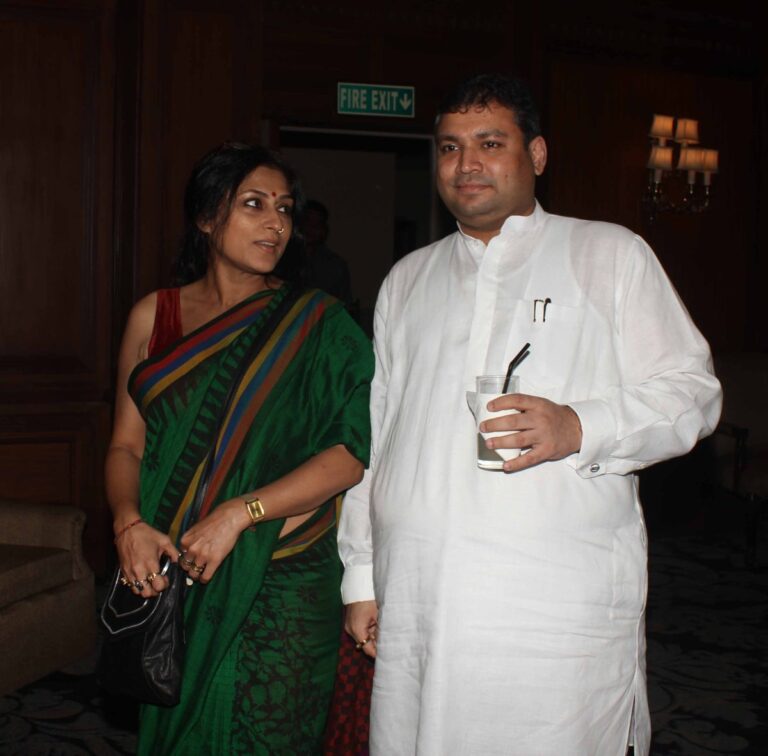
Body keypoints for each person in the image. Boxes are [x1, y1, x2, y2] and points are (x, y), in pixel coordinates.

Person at [338, 73, 722, 755]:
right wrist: (363, 577)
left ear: (537, 155)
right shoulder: (408, 279)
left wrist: (581, 424)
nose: (467, 164)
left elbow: (693, 391)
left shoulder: (608, 253)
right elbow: (379, 436)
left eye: (490, 143)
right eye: (450, 147)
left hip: (549, 610)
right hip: (418, 596)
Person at [105, 142, 373, 754]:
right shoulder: (155, 317)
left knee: (269, 734)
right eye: (254, 204)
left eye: (284, 208)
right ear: (206, 217)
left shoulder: (320, 325)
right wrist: (128, 523)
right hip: (174, 567)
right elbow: (125, 445)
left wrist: (240, 512)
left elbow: (350, 455)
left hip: (281, 577)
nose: (276, 222)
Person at [300, 199, 353, 304]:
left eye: (317, 224)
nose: (311, 228)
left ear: (324, 230)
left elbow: (343, 307)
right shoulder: (281, 261)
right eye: (308, 221)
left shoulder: (336, 266)